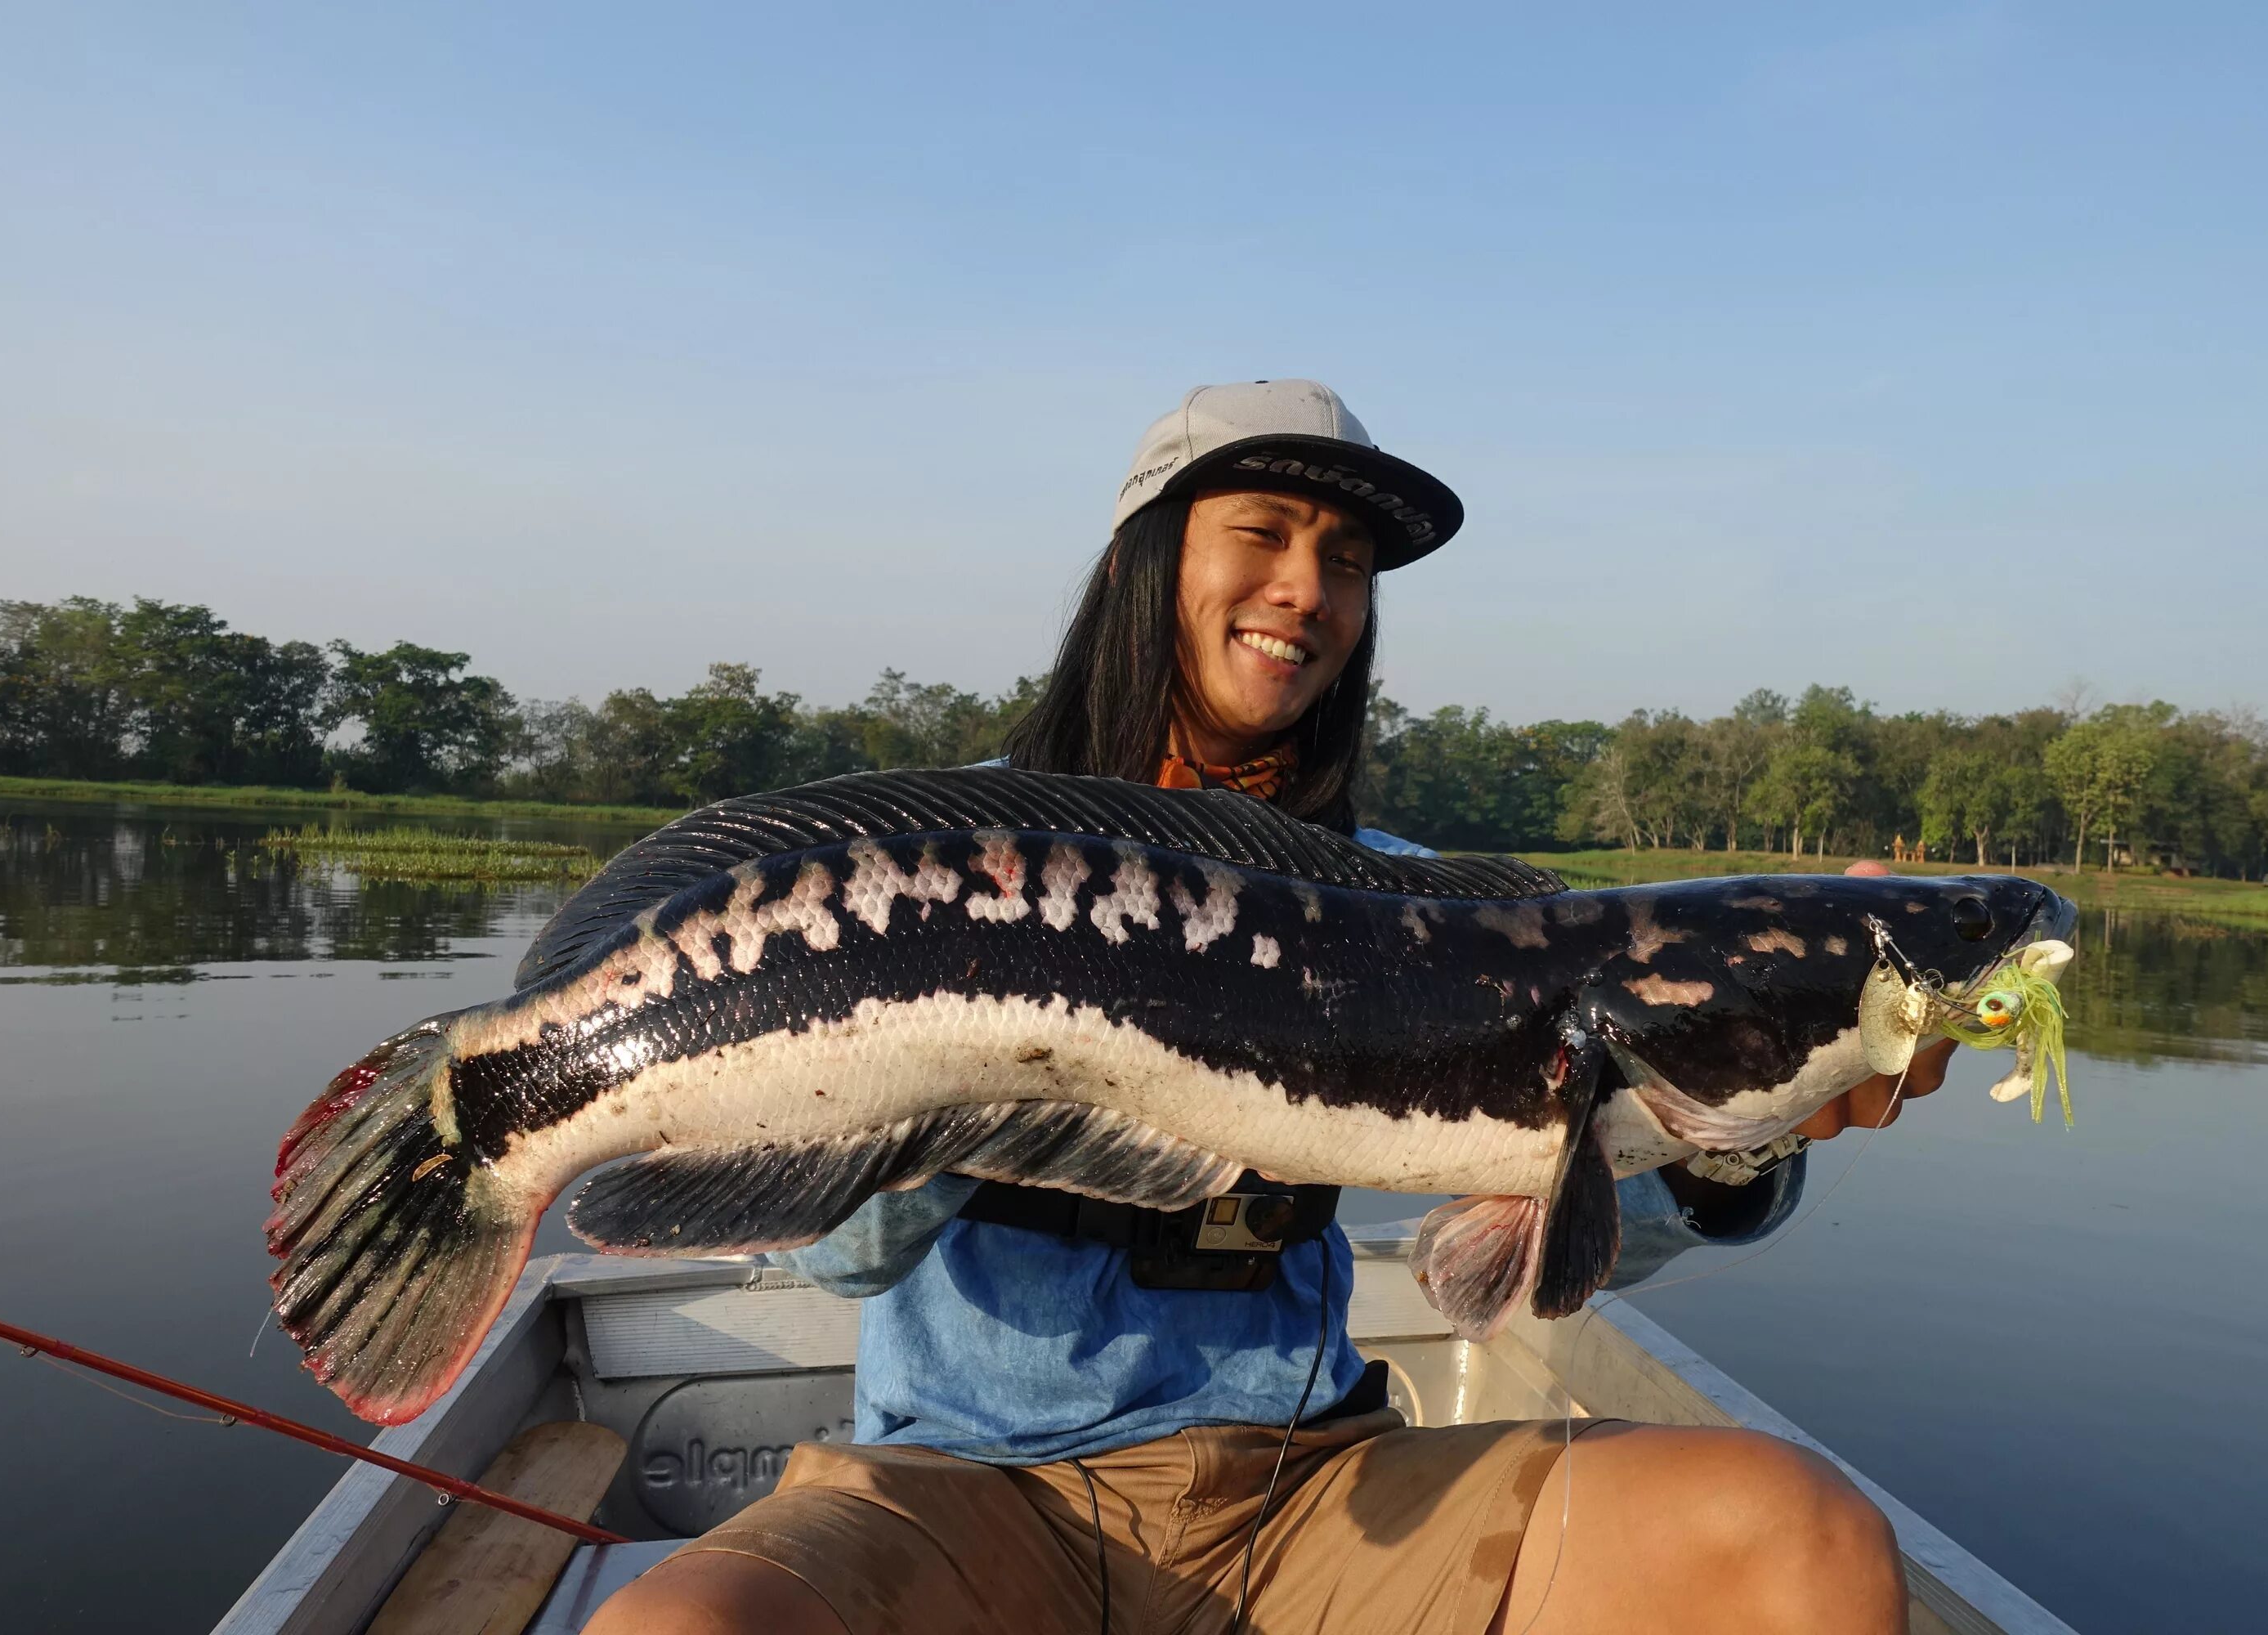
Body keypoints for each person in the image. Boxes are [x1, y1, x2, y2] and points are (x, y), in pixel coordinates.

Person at [588, 381, 1956, 1635]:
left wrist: (1748, 1134)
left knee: (1802, 1539)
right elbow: (833, 1261)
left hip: (1311, 1488)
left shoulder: (1424, 911)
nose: (1306, 590)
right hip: (964, 1487)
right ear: (1151, 561)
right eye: (1262, 535)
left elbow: (1544, 1243)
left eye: (1347, 563)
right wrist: (1000, 1055)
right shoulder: (949, 861)